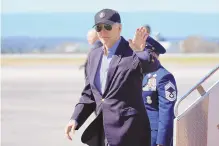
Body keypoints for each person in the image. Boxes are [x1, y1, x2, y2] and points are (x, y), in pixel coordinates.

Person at [65, 8, 159, 146]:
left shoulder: (132, 51)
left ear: (119, 28)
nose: (103, 32)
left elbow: (152, 67)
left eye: (108, 27)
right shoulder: (94, 55)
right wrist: (75, 118)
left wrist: (139, 51)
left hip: (129, 132)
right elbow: (89, 94)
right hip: (103, 133)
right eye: (99, 27)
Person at [142, 36, 177, 146]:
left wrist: (162, 142)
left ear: (153, 54)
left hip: (154, 136)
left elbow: (166, 113)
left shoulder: (164, 77)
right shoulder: (136, 74)